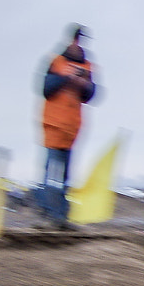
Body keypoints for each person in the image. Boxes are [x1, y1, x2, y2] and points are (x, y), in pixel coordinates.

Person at [36, 26, 98, 227]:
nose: (78, 44)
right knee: (50, 172)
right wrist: (67, 78)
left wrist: (83, 83)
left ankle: (61, 217)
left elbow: (92, 95)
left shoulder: (88, 66)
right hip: (54, 125)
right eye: (75, 39)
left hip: (72, 130)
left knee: (65, 176)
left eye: (81, 40)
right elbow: (45, 89)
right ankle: (49, 213)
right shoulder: (55, 61)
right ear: (70, 40)